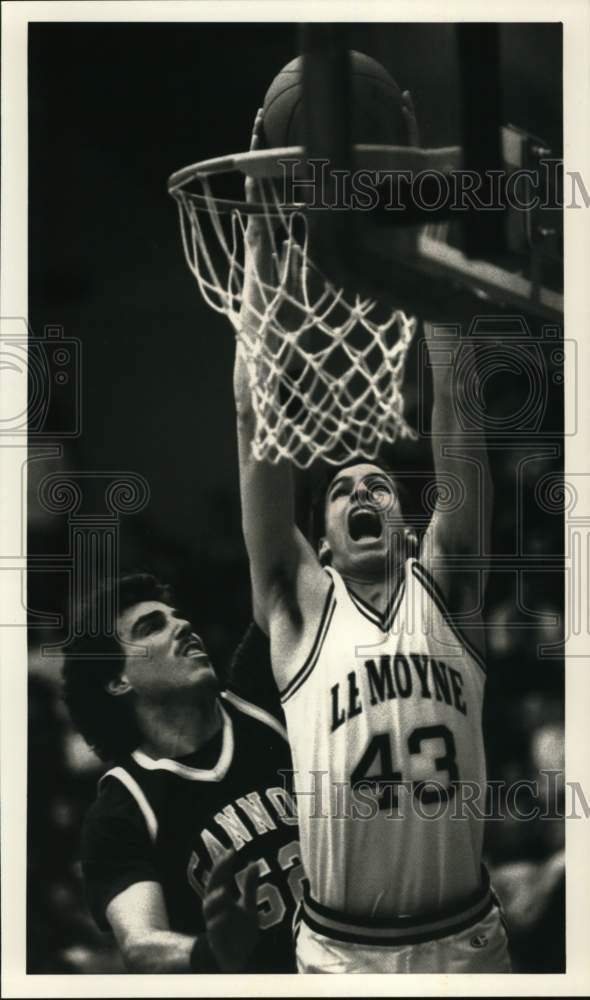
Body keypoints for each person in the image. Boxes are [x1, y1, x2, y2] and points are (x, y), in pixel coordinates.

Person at [232, 107, 512, 973]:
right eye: (343, 489)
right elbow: (253, 417)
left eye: (380, 486)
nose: (362, 489)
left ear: (406, 524)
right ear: (321, 543)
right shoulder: (298, 610)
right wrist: (261, 244)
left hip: (467, 943)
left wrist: (433, 267)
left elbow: (458, 412)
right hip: (341, 957)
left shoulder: (447, 587)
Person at [63, 572, 303, 973]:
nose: (183, 625)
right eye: (152, 626)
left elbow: (278, 575)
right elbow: (141, 944)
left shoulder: (259, 696)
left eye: (176, 616)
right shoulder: (121, 812)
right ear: (119, 681)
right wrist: (211, 950)